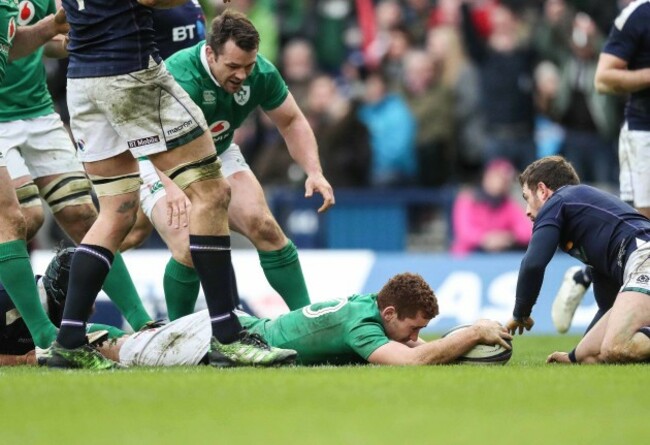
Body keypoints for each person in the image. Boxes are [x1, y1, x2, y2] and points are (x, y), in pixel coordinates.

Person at [47, 0, 296, 370]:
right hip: (131, 73)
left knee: (116, 212)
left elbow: (64, 16)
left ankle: (68, 342)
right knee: (213, 192)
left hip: (82, 79)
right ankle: (228, 336)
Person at [123, 10, 335, 320]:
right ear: (210, 53)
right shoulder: (179, 78)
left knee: (265, 227)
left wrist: (314, 171)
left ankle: (308, 320)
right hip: (161, 158)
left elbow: (291, 121)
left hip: (218, 152)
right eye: (233, 66)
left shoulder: (260, 73)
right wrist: (172, 188)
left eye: (248, 66)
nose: (242, 75)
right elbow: (150, 138)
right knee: (188, 246)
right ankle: (178, 336)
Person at [1, 0, 156, 335]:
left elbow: (29, 44)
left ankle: (142, 320)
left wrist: (64, 38)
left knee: (83, 214)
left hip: (39, 113)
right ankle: (36, 330)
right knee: (22, 219)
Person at [3, 267, 511, 367]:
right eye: (414, 326)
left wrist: (461, 341)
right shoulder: (361, 326)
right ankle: (35, 351)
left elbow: (413, 349)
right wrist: (470, 334)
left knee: (130, 350)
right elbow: (410, 363)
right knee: (119, 353)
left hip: (235, 331)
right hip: (209, 339)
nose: (417, 336)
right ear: (391, 311)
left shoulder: (368, 305)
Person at [551, 0, 650, 334]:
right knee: (645, 240)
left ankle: (588, 279)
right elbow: (604, 78)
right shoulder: (639, 15)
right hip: (644, 135)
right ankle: (589, 277)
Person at [506, 155, 650, 364]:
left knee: (616, 346)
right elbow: (608, 305)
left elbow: (533, 263)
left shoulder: (558, 201)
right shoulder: (589, 229)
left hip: (644, 257)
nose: (527, 211)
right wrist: (574, 357)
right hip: (638, 264)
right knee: (588, 356)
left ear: (542, 190)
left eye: (526, 198)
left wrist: (521, 312)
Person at [0, 2, 73, 350]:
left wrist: (61, 33)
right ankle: (44, 335)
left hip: (36, 113)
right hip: (5, 119)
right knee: (14, 217)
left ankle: (42, 333)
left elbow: (22, 43)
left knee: (23, 217)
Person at [450, 158, 532, 255]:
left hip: (499, 257)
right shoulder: (467, 199)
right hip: (468, 257)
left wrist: (509, 237)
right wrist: (485, 239)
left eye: (507, 180)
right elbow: (464, 232)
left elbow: (528, 231)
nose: (502, 182)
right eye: (499, 177)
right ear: (487, 177)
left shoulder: (509, 204)